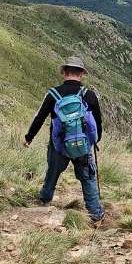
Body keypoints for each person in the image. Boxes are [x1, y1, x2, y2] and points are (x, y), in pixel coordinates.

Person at [23, 56, 105, 224]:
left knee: (52, 172)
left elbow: (39, 118)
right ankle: (95, 214)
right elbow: (97, 122)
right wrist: (95, 141)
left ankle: (45, 200)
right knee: (88, 177)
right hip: (82, 146)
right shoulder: (88, 95)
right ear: (81, 74)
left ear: (64, 72)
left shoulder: (53, 94)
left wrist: (28, 138)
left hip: (59, 145)